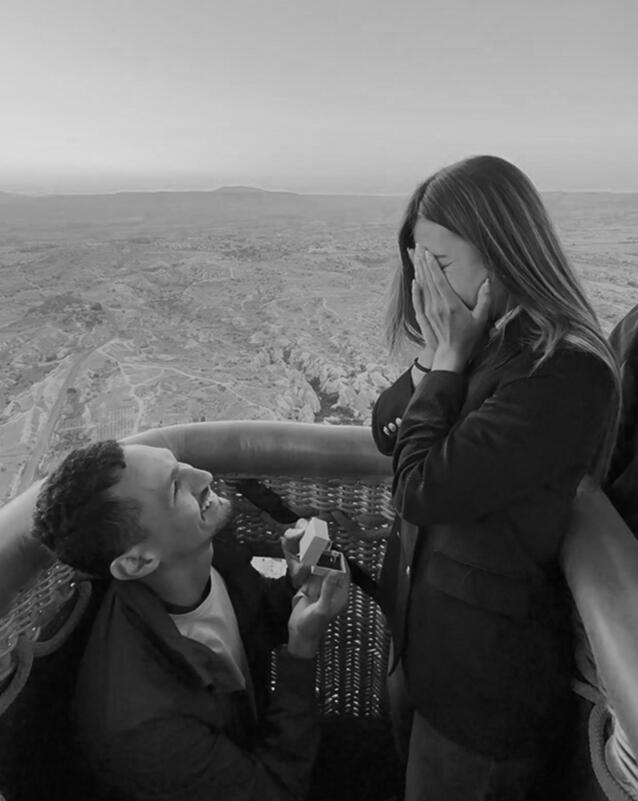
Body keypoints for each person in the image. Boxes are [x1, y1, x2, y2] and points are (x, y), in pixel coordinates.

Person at [371, 155, 621, 801]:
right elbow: (387, 430)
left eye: (439, 264)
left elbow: (420, 489)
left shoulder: (562, 371)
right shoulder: (478, 341)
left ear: (505, 253)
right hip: (422, 652)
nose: (423, 285)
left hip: (482, 691)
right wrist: (436, 358)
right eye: (417, 264)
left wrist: (447, 362)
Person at [30, 438, 350, 801]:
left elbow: (247, 625)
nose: (204, 476)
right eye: (175, 488)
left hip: (260, 745)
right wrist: (301, 651)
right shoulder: (146, 730)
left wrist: (293, 589)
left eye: (179, 464)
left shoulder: (203, 559)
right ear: (137, 562)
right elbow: (275, 792)